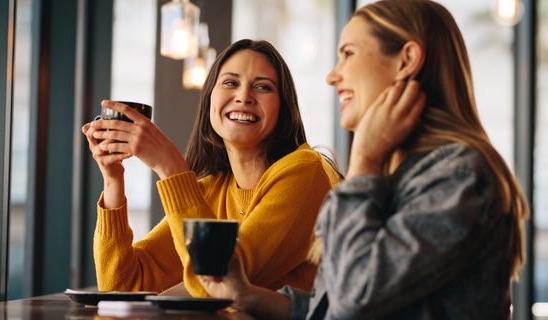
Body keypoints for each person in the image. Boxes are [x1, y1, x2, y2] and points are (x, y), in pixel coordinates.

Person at [198, 0, 529, 319]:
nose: (332, 76)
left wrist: (364, 162)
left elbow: (356, 301)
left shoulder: (458, 176)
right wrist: (247, 295)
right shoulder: (400, 174)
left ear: (406, 60)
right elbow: (333, 307)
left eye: (348, 54)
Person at [81, 39, 341, 297]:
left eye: (263, 87)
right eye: (230, 83)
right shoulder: (211, 191)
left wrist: (170, 166)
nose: (243, 97)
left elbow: (221, 283)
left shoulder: (305, 172)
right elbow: (122, 286)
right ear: (209, 101)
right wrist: (113, 179)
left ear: (283, 108)